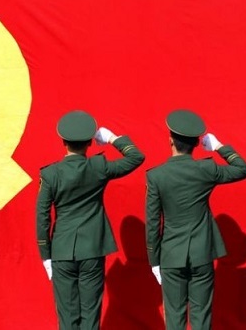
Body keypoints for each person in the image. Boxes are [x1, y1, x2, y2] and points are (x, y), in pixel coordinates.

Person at [36, 110, 144, 330]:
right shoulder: (98, 167)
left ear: (63, 142)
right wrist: (112, 138)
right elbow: (136, 157)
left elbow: (42, 216)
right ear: (90, 143)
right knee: (90, 314)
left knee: (67, 316)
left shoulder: (51, 174)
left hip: (62, 250)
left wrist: (45, 255)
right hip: (92, 248)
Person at [145, 109, 246, 330]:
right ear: (196, 144)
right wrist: (219, 146)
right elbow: (243, 169)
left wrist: (154, 260)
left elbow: (153, 222)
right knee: (202, 316)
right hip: (201, 252)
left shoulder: (156, 176)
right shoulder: (206, 169)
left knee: (174, 316)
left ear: (170, 141)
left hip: (171, 254)